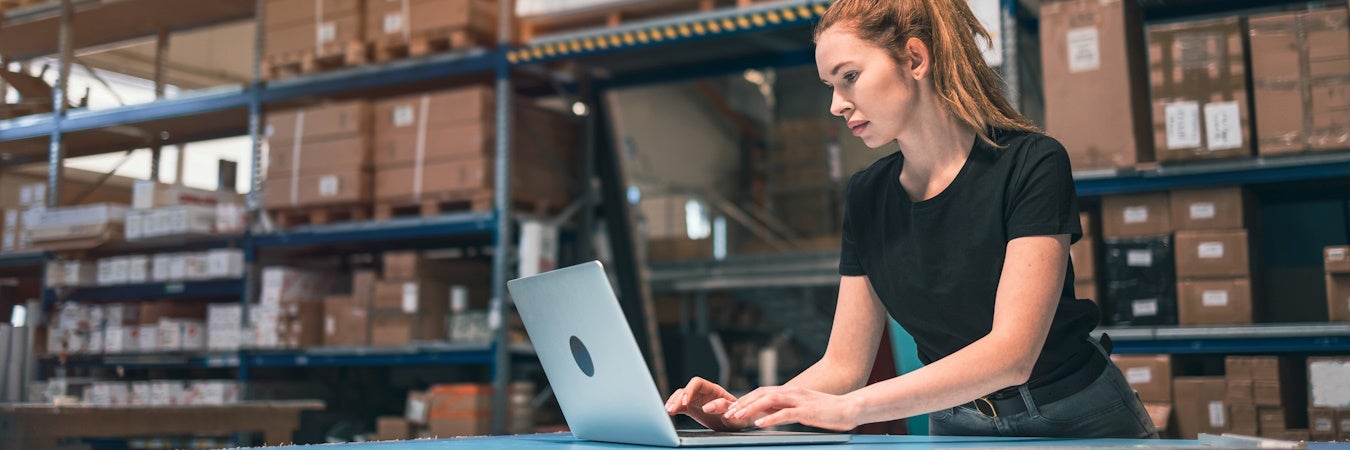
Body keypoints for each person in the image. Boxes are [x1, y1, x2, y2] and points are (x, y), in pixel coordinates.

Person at [663, 0, 1158, 439]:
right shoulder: (867, 196)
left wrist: (851, 408)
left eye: (849, 77)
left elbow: (1012, 354)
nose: (837, 105)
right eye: (830, 86)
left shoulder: (1032, 163)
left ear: (915, 59)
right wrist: (750, 411)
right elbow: (843, 364)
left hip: (1075, 420)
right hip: (957, 423)